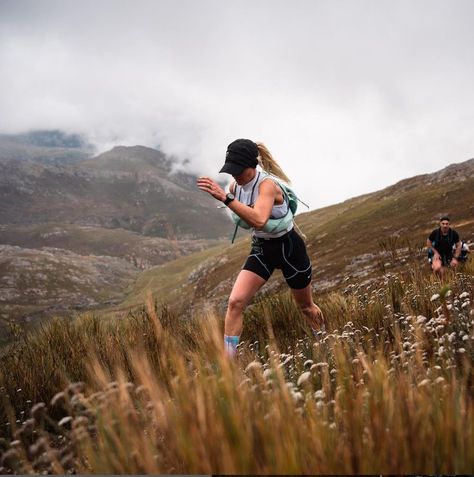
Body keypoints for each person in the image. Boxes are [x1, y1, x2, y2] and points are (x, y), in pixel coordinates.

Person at [197, 138, 324, 357]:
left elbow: (258, 219)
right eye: (231, 169)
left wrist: (225, 198)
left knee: (306, 307)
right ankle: (229, 361)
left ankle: (325, 342)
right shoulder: (235, 186)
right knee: (235, 302)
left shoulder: (267, 186)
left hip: (289, 248)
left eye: (239, 169)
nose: (235, 174)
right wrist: (229, 196)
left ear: (251, 166)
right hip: (262, 248)